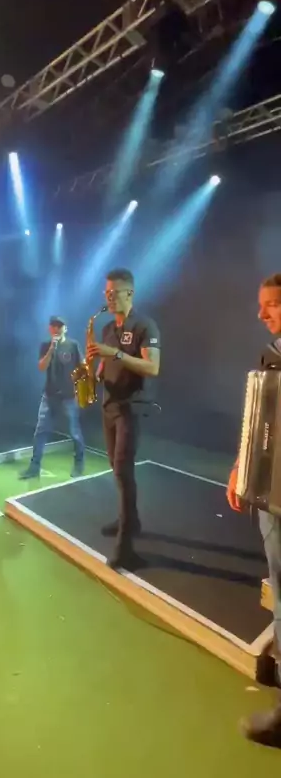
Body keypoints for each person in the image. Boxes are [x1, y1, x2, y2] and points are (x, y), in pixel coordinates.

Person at [227, 273, 281, 747]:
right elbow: (259, 422)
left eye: (273, 305)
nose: (261, 314)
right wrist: (240, 467)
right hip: (271, 500)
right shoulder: (271, 357)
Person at [87, 268, 161, 570]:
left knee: (122, 470)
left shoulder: (145, 325)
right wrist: (94, 374)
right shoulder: (107, 328)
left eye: (114, 293)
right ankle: (130, 519)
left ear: (130, 293)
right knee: (116, 469)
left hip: (131, 407)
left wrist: (115, 354)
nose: (109, 298)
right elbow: (106, 363)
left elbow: (152, 367)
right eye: (106, 293)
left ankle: (126, 546)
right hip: (109, 406)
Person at [19, 316, 85, 480]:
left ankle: (79, 463)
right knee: (40, 432)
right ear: (49, 329)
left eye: (59, 326)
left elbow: (83, 367)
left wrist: (79, 387)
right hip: (49, 396)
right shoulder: (45, 345)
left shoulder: (73, 345)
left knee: (74, 432)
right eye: (53, 326)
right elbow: (42, 367)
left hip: (69, 396)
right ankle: (34, 467)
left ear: (65, 328)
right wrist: (50, 350)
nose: (56, 329)